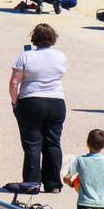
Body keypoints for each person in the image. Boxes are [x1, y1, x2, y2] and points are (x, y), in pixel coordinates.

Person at [9, 24, 68, 192]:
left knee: (33, 144)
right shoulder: (60, 56)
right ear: (53, 38)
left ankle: (32, 182)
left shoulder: (26, 56)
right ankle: (53, 184)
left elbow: (14, 82)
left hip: (32, 101)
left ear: (34, 38)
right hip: (56, 102)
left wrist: (15, 102)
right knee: (53, 143)